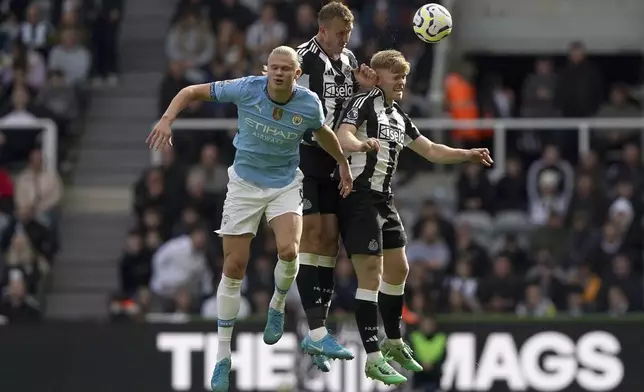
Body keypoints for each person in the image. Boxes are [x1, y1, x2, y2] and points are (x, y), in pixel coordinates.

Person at [146, 45, 372, 392]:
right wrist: (166, 119)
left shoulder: (308, 102)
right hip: (244, 186)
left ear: (296, 74)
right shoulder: (246, 88)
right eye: (274, 67)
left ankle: (277, 306)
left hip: (284, 184)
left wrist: (342, 161)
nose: (279, 73)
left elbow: (321, 130)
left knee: (290, 251)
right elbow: (191, 91)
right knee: (234, 268)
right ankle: (223, 357)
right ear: (266, 69)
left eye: (286, 68)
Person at [332, 49, 493, 385]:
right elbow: (343, 133)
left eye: (404, 76)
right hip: (359, 197)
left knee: (400, 268)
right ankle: (373, 356)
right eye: (396, 76)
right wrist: (359, 146)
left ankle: (393, 340)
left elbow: (430, 149)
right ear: (378, 78)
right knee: (371, 274)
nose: (402, 81)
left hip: (384, 199)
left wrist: (466, 154)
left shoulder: (399, 116)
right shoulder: (365, 103)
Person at [294, 1, 378, 373]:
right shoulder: (303, 58)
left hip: (337, 157)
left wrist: (364, 87)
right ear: (323, 31)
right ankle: (314, 329)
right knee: (312, 235)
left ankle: (319, 332)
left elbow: (351, 108)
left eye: (349, 33)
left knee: (329, 241)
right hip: (306, 156)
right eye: (340, 33)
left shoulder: (348, 59)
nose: (346, 39)